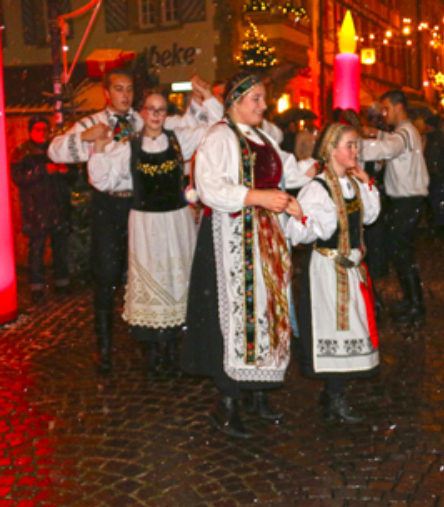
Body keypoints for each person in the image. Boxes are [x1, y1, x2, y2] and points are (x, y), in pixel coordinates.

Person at [47, 68, 218, 375]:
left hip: (143, 204)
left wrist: (198, 99)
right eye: (118, 89)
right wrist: (86, 138)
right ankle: (104, 348)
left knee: (147, 272)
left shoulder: (143, 120)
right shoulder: (92, 123)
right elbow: (55, 151)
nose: (124, 94)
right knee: (107, 274)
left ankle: (151, 344)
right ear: (107, 93)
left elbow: (186, 127)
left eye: (128, 89)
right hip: (110, 204)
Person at [180, 73, 310, 439]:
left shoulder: (263, 136)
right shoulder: (220, 136)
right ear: (235, 100)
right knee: (237, 316)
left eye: (263, 98)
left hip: (263, 236)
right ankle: (227, 402)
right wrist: (257, 197)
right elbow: (210, 186)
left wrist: (314, 168)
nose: (263, 106)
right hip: (231, 238)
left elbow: (285, 170)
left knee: (265, 312)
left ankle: (257, 390)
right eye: (255, 98)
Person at [286, 123, 381, 423]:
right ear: (330, 149)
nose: (355, 151)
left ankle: (334, 394)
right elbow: (298, 232)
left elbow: (372, 215)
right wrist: (306, 218)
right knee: (335, 329)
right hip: (328, 270)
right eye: (349, 145)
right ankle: (333, 396)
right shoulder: (317, 188)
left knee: (351, 327)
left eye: (356, 145)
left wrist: (367, 184)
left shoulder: (352, 183)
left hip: (351, 269)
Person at [360, 90, 430, 325]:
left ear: (398, 107)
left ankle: (415, 306)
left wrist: (352, 146)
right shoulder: (407, 133)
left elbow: (388, 148)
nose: (383, 113)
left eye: (386, 108)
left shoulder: (404, 134)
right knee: (401, 253)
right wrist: (377, 133)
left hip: (406, 202)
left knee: (402, 254)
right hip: (407, 201)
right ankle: (411, 302)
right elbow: (390, 143)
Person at [10, 117, 73, 302]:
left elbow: (73, 176)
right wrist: (43, 170)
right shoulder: (22, 152)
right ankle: (36, 288)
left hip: (58, 207)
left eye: (45, 128)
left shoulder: (56, 150)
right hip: (36, 208)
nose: (42, 132)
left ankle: (62, 283)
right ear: (30, 130)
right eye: (37, 129)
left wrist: (65, 172)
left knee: (60, 247)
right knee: (36, 250)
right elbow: (19, 178)